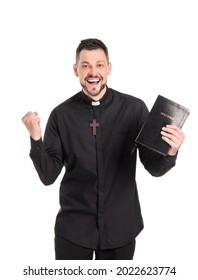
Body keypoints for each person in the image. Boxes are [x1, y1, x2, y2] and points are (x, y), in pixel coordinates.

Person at [22, 38, 185, 260]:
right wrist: (35, 138)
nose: (93, 72)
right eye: (85, 65)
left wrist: (171, 151)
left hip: (121, 228)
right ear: (75, 70)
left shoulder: (135, 109)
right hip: (73, 230)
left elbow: (155, 168)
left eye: (99, 64)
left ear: (108, 68)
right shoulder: (60, 115)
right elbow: (48, 176)